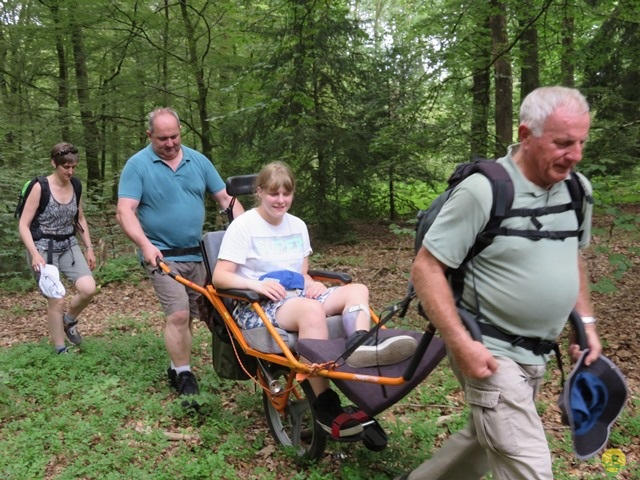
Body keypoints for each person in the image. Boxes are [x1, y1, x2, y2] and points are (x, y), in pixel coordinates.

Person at [398, 86, 603, 480]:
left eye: (581, 142)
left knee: (483, 440)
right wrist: (461, 343)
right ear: (526, 135)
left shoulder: (578, 190)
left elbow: (571, 257)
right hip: (488, 347)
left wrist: (586, 324)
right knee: (530, 466)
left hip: (538, 351)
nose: (575, 155)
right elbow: (426, 269)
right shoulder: (483, 190)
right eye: (563, 143)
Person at [212, 161, 417, 439]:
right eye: (274, 194)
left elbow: (302, 271)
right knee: (311, 311)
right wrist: (256, 284)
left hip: (295, 296)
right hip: (257, 304)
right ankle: (324, 403)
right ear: (259, 192)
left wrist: (311, 283)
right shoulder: (244, 226)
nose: (281, 200)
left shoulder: (297, 225)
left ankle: (360, 344)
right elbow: (220, 278)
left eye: (287, 193)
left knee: (357, 290)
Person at [116, 107, 244, 403]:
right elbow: (125, 211)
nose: (170, 143)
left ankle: (175, 366)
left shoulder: (198, 161)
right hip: (162, 255)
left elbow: (226, 199)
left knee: (200, 315)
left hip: (199, 255)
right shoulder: (137, 166)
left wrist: (245, 232)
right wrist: (146, 246)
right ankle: (185, 375)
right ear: (149, 135)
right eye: (162, 138)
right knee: (178, 313)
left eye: (174, 136)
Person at [18, 142, 97, 354]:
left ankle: (68, 320)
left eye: (73, 167)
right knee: (57, 298)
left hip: (68, 244)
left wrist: (89, 247)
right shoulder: (40, 187)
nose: (70, 171)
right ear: (54, 163)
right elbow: (23, 225)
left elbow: (79, 218)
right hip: (42, 247)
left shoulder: (76, 185)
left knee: (89, 289)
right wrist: (34, 254)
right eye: (65, 167)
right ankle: (61, 349)